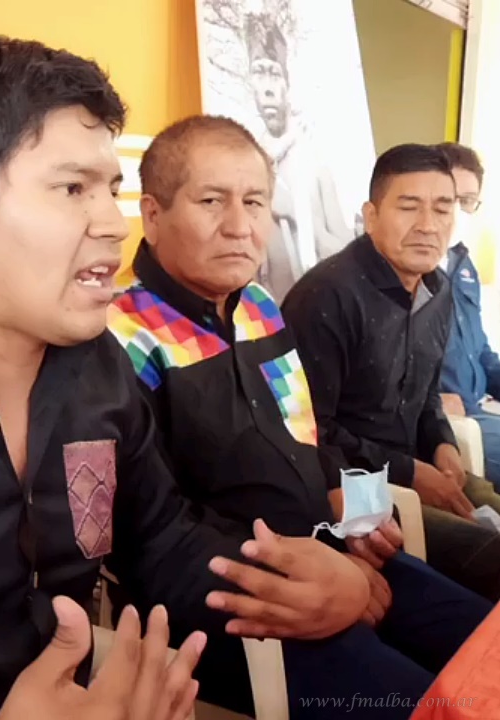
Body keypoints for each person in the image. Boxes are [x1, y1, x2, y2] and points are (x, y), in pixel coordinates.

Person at [0, 35, 375, 719]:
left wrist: (302, 582)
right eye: (72, 190)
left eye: (111, 190)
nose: (113, 225)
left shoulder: (97, 370)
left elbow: (164, 543)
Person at [108, 118, 491, 719]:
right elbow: (156, 535)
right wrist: (323, 579)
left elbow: (309, 439)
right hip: (242, 599)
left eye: (255, 202)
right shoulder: (121, 342)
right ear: (152, 215)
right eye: (212, 201)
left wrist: (362, 513)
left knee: (486, 648)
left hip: (332, 549)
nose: (240, 226)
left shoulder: (258, 307)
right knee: (439, 708)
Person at [282, 143, 500, 602]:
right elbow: (310, 433)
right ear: (371, 215)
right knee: (491, 557)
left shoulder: (438, 289)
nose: (428, 225)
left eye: (443, 208)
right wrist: (410, 472)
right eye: (409, 206)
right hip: (352, 486)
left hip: (418, 467)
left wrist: (441, 443)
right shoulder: (326, 296)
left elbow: (426, 397)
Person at [244, 10, 353, 302]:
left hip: (319, 313)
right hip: (262, 316)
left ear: (287, 82)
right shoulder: (244, 166)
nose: (268, 88)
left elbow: (348, 261)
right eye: (258, 72)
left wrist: (297, 212)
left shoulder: (315, 162)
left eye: (274, 73)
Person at [436, 142, 500, 491]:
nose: (459, 211)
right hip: (448, 424)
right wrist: (433, 403)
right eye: (451, 198)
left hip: (478, 410)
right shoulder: (408, 271)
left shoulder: (464, 265)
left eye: (468, 201)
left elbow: (481, 351)